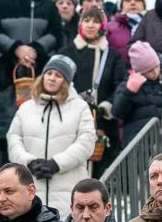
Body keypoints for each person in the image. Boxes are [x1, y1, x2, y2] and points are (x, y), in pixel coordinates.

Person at [0, 0, 62, 161]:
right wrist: (16, 49)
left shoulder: (48, 4)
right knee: (8, 122)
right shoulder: (0, 4)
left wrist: (34, 49)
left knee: (37, 121)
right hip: (6, 71)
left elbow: (56, 33)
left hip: (39, 71)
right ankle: (6, 171)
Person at [7, 55, 96, 211]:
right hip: (32, 188)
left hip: (69, 192)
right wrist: (29, 162)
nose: (52, 78)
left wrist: (56, 164)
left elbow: (86, 142)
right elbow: (14, 138)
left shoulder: (80, 107)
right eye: (49, 73)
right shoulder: (26, 108)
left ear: (66, 82)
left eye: (58, 75)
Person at [61, 7, 126, 178]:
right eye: (87, 20)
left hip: (103, 120)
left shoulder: (112, 56)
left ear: (103, 26)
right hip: (71, 118)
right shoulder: (67, 52)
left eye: (96, 21)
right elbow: (60, 84)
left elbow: (120, 86)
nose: (91, 25)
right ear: (80, 24)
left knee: (101, 170)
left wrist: (105, 108)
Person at [112, 41, 162, 145]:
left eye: (156, 67)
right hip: (137, 144)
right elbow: (118, 113)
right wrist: (129, 91)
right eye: (149, 70)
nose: (155, 72)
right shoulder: (127, 86)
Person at [106, 0, 145, 68]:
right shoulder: (109, 27)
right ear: (121, 6)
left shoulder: (152, 25)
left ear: (144, 5)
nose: (133, 3)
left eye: (137, 0)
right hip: (120, 75)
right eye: (128, 0)